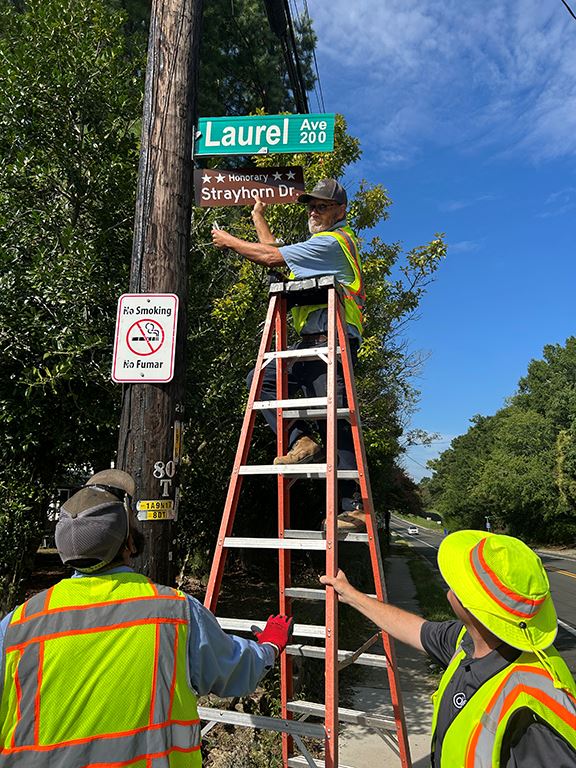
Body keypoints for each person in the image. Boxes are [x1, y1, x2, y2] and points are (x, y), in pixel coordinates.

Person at [0, 469, 293, 767]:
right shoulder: (176, 613)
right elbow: (236, 671)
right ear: (129, 545)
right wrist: (270, 645)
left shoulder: (17, 625)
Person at [320, 530, 576, 767]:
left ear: (472, 606)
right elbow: (414, 629)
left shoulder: (530, 711)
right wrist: (351, 595)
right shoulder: (469, 639)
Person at [211, 178, 366, 531]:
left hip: (334, 341)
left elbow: (270, 256)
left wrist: (228, 240)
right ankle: (301, 441)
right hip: (311, 344)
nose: (314, 212)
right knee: (260, 381)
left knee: (334, 419)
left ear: (340, 210)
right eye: (311, 206)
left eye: (322, 206)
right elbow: (276, 255)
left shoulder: (333, 242)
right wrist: (258, 217)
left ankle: (354, 506)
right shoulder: (316, 250)